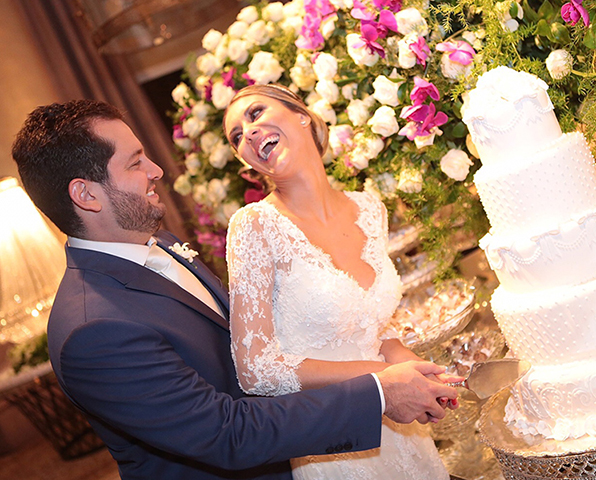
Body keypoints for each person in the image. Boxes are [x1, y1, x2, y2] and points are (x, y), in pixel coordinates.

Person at [11, 99, 460, 480]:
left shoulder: (161, 245)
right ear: (86, 195)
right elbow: (227, 434)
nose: (157, 170)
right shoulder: (93, 330)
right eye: (135, 163)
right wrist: (378, 393)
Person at [223, 84, 460, 479]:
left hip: (406, 436)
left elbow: (369, 324)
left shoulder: (369, 208)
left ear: (302, 116)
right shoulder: (254, 226)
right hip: (335, 447)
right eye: (235, 136)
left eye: (255, 113)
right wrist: (383, 380)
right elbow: (256, 370)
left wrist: (405, 359)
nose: (247, 133)